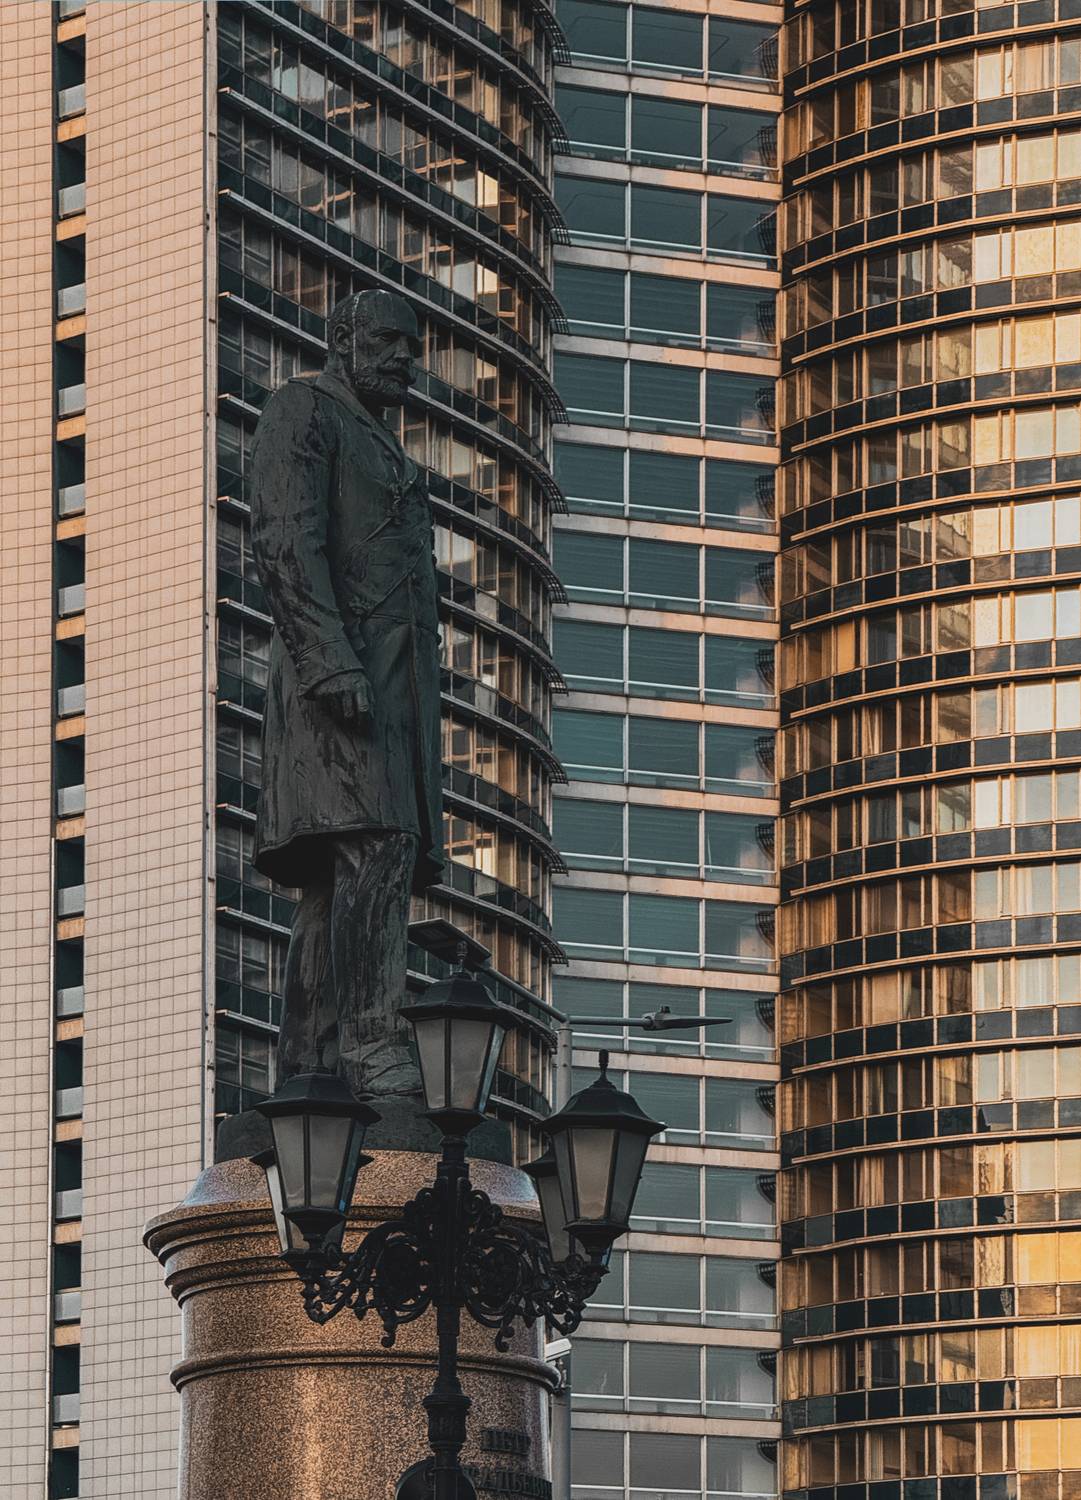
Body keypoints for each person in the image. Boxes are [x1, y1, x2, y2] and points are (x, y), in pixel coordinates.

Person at [248, 288, 443, 1100]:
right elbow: (284, 541)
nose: (404, 359)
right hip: (340, 684)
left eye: (412, 347)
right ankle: (370, 1043)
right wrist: (330, 662)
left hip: (394, 693)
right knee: (373, 846)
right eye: (388, 341)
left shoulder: (382, 442)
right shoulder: (303, 410)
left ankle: (312, 1055)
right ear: (342, 338)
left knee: (352, 869)